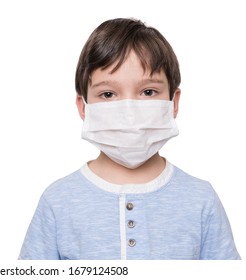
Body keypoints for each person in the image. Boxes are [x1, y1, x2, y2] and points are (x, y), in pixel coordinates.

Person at [18, 18, 240, 260]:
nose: (129, 111)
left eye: (148, 92)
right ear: (84, 107)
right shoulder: (57, 202)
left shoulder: (201, 199)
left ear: (173, 103)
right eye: (108, 94)